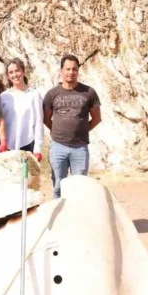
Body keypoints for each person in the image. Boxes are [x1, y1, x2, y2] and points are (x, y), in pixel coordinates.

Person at [43, 54, 102, 199]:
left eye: (74, 69)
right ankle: (59, 213)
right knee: (58, 186)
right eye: (68, 69)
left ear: (78, 71)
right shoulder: (52, 94)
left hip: (80, 148)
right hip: (58, 147)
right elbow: (46, 119)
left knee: (80, 187)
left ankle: (77, 213)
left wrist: (82, 131)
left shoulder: (89, 92)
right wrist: (58, 132)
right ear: (61, 71)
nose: (71, 72)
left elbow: (97, 118)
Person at [1, 58, 44, 161]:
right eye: (11, 72)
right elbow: (0, 123)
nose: (15, 75)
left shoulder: (34, 95)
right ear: (8, 76)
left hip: (28, 144)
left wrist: (37, 149)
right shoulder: (4, 96)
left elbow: (39, 123)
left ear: (23, 71)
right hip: (8, 147)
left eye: (17, 70)